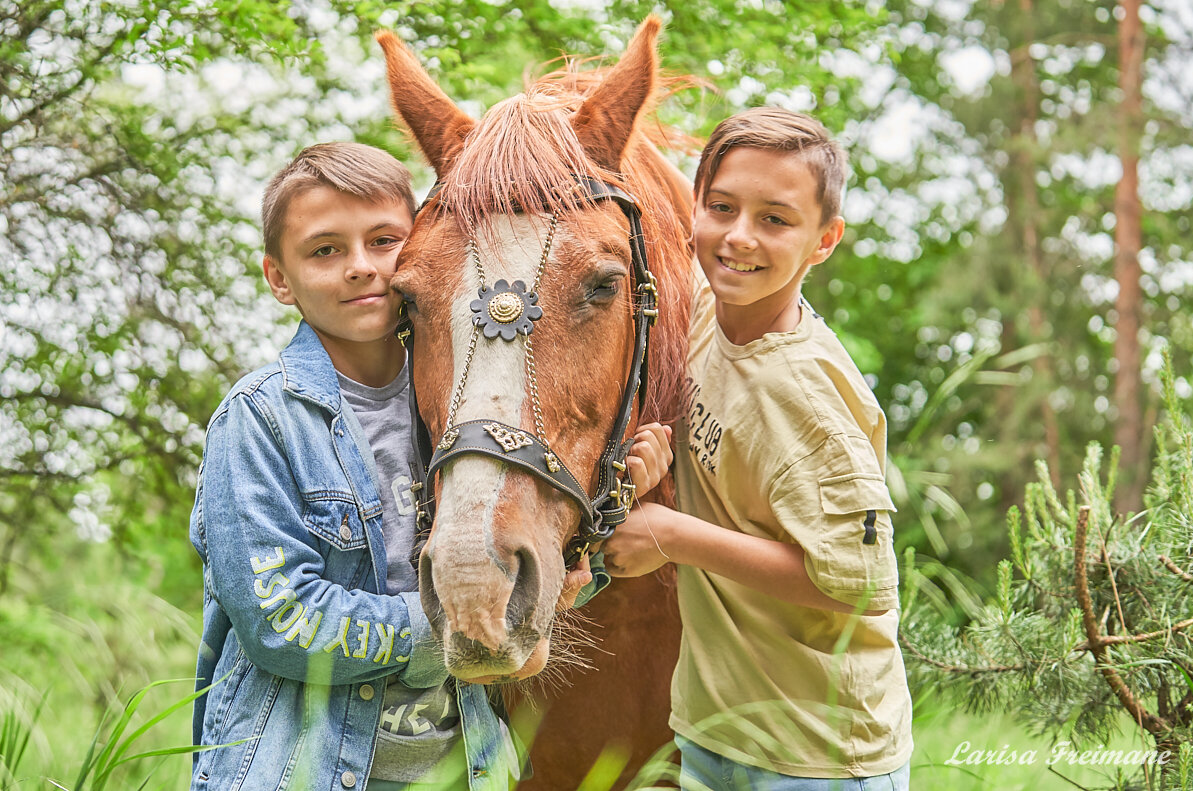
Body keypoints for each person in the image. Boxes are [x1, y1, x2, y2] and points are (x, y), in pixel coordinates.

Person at [188, 141, 671, 791]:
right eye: (325, 249)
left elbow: (530, 583)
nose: (361, 266)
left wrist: (611, 510)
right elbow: (281, 621)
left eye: (384, 240)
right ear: (279, 277)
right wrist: (456, 621)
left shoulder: (451, 412)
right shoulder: (259, 418)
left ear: (417, 247)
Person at [604, 107, 913, 790]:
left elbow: (862, 583)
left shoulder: (804, 396)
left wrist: (672, 533)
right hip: (723, 731)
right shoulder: (710, 315)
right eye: (722, 206)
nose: (739, 236)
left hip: (816, 755)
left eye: (775, 219)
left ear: (824, 241)